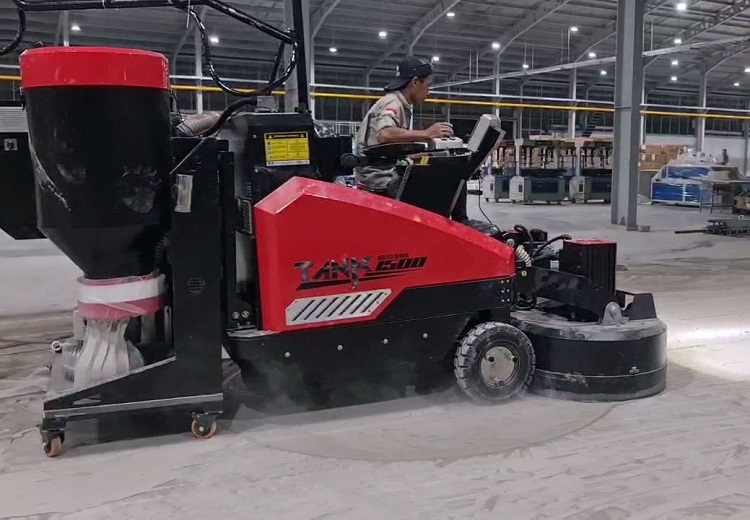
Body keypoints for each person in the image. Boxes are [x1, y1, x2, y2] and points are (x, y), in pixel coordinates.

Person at [354, 56, 468, 222]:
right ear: (415, 82)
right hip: (380, 177)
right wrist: (427, 133)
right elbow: (385, 133)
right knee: (450, 179)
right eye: (427, 85)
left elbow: (384, 148)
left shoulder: (400, 104)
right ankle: (458, 227)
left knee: (443, 169)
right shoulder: (393, 103)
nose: (428, 92)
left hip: (383, 169)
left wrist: (422, 156)